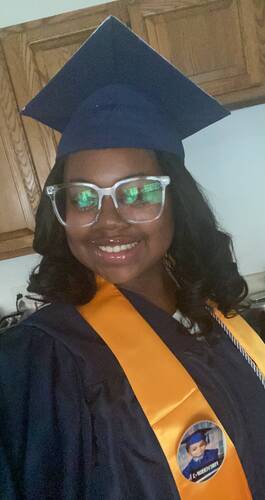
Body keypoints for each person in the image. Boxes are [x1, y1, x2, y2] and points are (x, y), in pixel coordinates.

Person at [0, 16, 264, 500]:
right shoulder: (39, 363)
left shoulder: (225, 321)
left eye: (137, 192)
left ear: (176, 204)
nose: (107, 220)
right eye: (82, 198)